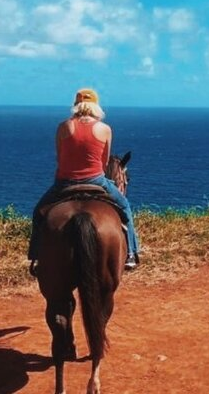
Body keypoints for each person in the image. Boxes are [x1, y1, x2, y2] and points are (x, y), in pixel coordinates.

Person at [28, 88, 140, 274]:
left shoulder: (64, 126)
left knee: (38, 213)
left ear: (76, 105)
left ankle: (36, 257)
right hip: (96, 180)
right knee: (125, 208)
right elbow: (104, 161)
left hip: (64, 182)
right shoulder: (105, 129)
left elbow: (59, 157)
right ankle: (130, 254)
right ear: (96, 107)